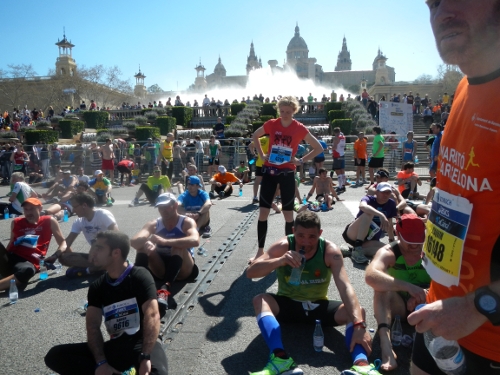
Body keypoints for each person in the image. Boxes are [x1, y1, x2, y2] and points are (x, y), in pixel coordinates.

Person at [407, 2, 500, 374]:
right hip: (440, 315)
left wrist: (479, 306)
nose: (442, 12)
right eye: (433, 2)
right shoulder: (463, 84)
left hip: (487, 334)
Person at [247, 211, 379, 375]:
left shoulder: (330, 251)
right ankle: (280, 359)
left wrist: (359, 324)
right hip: (287, 305)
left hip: (318, 308)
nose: (306, 242)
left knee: (359, 312)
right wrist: (280, 261)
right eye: (301, 235)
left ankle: (361, 364)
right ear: (293, 231)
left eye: (312, 237)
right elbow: (251, 272)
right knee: (260, 299)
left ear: (320, 234)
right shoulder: (283, 246)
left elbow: (345, 286)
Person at [44, 231, 168, 375]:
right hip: (116, 347)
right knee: (55, 355)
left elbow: (152, 315)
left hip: (143, 343)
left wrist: (146, 356)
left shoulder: (139, 275)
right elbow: (93, 325)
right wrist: (101, 362)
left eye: (99, 248)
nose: (92, 252)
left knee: (157, 373)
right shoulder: (98, 286)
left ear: (116, 253)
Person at [251, 96, 323, 262]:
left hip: (287, 173)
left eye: (288, 112)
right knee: (263, 212)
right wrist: (261, 155)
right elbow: (255, 135)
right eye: (282, 111)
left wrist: (301, 160)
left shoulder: (299, 128)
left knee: (288, 214)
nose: (284, 114)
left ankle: (290, 251)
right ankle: (260, 251)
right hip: (270, 171)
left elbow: (318, 146)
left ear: (294, 111)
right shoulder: (272, 124)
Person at [365, 214, 430, 372]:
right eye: (409, 241)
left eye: (418, 241)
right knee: (381, 287)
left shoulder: (430, 250)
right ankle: (385, 346)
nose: (415, 246)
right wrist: (409, 287)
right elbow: (370, 276)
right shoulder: (389, 251)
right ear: (398, 235)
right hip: (399, 307)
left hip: (427, 303)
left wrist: (426, 294)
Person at [131, 193, 200, 311]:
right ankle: (136, 286)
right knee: (144, 246)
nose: (163, 210)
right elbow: (134, 242)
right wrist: (146, 241)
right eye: (160, 207)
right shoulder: (154, 223)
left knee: (177, 247)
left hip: (184, 269)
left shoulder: (186, 222)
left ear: (175, 205)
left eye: (166, 206)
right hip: (161, 269)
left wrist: (165, 241)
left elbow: (195, 240)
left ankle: (165, 289)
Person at [44, 192, 119, 278]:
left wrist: (101, 249)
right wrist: (55, 256)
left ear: (84, 205)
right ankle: (102, 268)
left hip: (110, 253)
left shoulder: (102, 214)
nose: (73, 210)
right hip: (95, 256)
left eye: (75, 207)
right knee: (64, 258)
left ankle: (91, 270)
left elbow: (116, 234)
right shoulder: (79, 221)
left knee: (97, 249)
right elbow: (67, 242)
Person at [0, 198, 67, 291]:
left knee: (27, 271)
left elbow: (63, 242)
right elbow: (10, 243)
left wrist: (55, 255)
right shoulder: (16, 222)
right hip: (11, 257)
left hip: (28, 261)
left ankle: (9, 281)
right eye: (26, 210)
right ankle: (8, 279)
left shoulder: (48, 221)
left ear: (40, 208)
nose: (28, 212)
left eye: (31, 209)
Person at [342, 182, 398, 264]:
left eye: (388, 192)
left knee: (389, 250)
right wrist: (381, 214)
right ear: (377, 192)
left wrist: (392, 241)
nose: (385, 195)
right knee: (369, 213)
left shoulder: (391, 203)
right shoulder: (369, 199)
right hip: (354, 234)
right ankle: (357, 247)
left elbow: (389, 224)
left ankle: (351, 251)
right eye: (383, 192)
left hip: (370, 239)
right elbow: (362, 206)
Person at [331, 127, 347, 193]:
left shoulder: (336, 138)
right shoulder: (343, 137)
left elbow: (334, 147)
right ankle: (343, 185)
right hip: (342, 155)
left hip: (337, 155)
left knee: (338, 171)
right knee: (342, 171)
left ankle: (340, 186)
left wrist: (330, 148)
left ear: (334, 132)